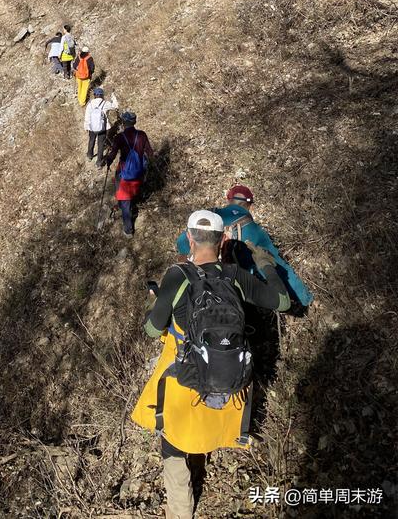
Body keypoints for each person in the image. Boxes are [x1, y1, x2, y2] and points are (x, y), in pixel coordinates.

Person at [132, 210, 291, 519]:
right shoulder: (235, 276)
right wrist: (265, 265)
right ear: (223, 240)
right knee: (207, 428)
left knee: (173, 446)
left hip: (184, 383)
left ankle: (181, 512)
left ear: (189, 238)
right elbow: (282, 302)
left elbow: (152, 329)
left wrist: (158, 302)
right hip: (230, 383)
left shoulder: (177, 275)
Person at [176, 184, 313, 308]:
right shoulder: (255, 231)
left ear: (229, 200)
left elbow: (181, 242)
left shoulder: (209, 219)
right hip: (235, 296)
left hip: (198, 293)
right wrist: (306, 299)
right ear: (249, 205)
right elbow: (281, 269)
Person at [104, 111, 154, 236]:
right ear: (134, 122)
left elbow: (113, 154)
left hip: (124, 173)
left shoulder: (119, 137)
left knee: (124, 199)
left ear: (123, 123)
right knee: (132, 192)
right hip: (138, 171)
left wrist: (108, 161)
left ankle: (128, 230)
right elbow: (150, 153)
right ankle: (128, 203)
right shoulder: (142, 135)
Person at [83, 88, 116, 166]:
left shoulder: (90, 104)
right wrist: (113, 97)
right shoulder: (105, 103)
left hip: (92, 127)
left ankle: (89, 155)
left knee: (91, 140)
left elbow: (87, 116)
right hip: (102, 127)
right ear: (102, 95)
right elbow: (115, 106)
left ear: (94, 95)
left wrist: (86, 126)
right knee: (101, 144)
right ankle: (99, 162)